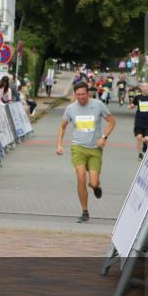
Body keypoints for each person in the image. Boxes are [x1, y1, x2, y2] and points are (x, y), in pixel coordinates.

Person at [56, 82, 117, 223]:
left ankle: (96, 187)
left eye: (84, 94)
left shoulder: (98, 105)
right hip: (78, 148)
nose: (81, 97)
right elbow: (62, 127)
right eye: (78, 95)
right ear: (75, 95)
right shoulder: (70, 108)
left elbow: (112, 122)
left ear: (88, 93)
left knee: (93, 182)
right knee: (81, 177)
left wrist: (104, 137)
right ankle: (85, 211)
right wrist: (59, 144)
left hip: (95, 148)